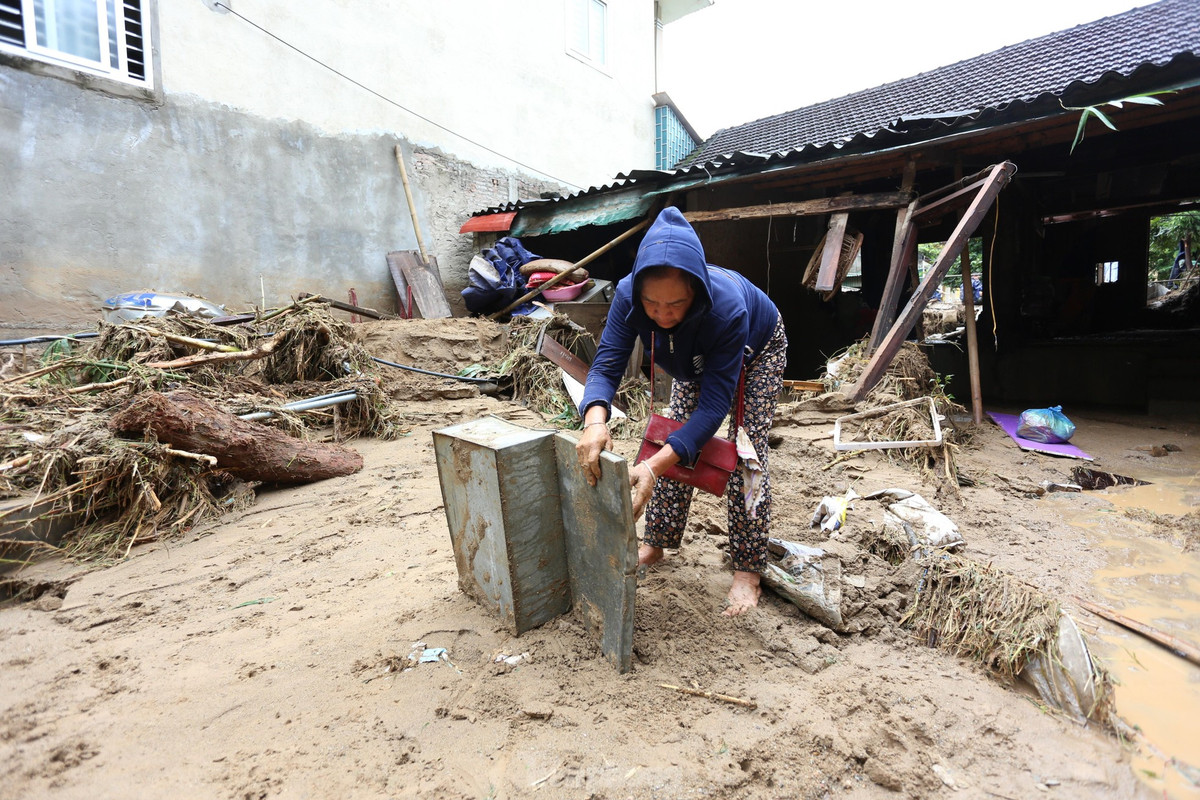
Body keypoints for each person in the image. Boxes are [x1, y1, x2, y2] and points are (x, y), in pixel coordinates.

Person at [575, 207, 787, 616]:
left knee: (748, 452)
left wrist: (653, 467)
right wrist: (595, 421)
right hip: (692, 358)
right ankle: (657, 542)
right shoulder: (626, 296)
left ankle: (748, 570)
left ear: (697, 292)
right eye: (651, 303)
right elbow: (605, 366)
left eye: (676, 303)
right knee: (670, 438)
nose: (662, 314)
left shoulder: (727, 310)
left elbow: (712, 409)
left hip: (756, 350)